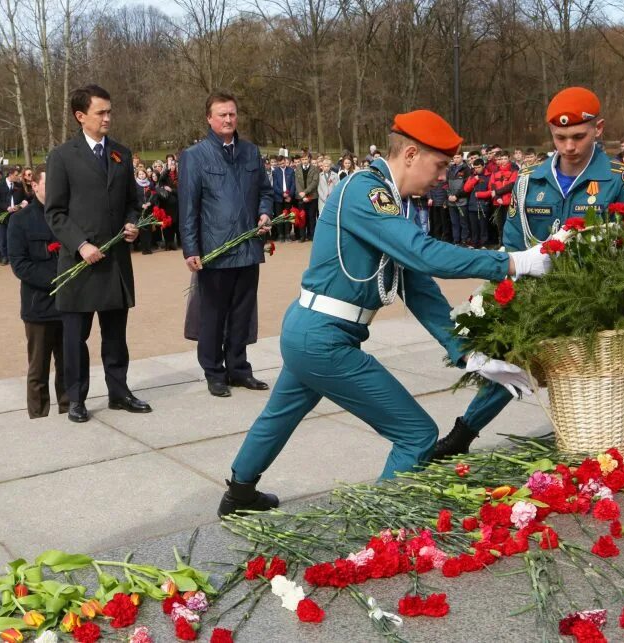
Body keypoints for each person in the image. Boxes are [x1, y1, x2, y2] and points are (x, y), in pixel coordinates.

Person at [215, 109, 554, 515]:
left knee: (282, 412)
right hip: (325, 338)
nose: (443, 178)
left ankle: (238, 495)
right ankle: (376, 524)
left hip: (314, 332)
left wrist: (471, 355)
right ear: (410, 154)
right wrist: (515, 263)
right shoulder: (364, 190)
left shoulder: (389, 201)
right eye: (440, 165)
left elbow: (419, 287)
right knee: (417, 433)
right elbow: (423, 255)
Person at [434, 86, 624, 459]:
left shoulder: (621, 177)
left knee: (598, 363)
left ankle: (608, 424)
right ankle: (465, 432)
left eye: (579, 136)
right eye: (560, 137)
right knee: (511, 360)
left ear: (599, 129)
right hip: (538, 293)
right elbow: (512, 240)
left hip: (594, 296)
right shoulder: (529, 180)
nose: (569, 146)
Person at [45, 84, 152, 423]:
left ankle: (119, 392)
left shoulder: (121, 153)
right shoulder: (62, 156)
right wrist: (81, 244)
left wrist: (133, 225)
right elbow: (55, 212)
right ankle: (76, 398)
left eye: (109, 111)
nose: (108, 117)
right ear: (81, 116)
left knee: (116, 335)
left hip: (115, 261)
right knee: (76, 338)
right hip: (79, 263)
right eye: (100, 112)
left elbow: (133, 203)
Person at [180, 91, 273, 398]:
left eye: (232, 114)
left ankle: (239, 368)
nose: (228, 119)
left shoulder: (250, 152)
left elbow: (265, 191)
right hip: (214, 252)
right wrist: (191, 249)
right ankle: (214, 372)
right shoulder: (195, 156)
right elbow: (188, 207)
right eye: (222, 114)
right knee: (213, 315)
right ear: (209, 118)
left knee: (242, 312)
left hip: (248, 249)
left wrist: (264, 212)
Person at [7, 165, 69, 418]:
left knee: (68, 365)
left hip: (69, 304)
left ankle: (69, 407)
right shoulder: (20, 220)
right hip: (38, 306)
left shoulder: (68, 215)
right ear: (34, 186)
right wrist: (59, 279)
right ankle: (39, 415)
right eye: (49, 183)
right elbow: (20, 264)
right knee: (38, 369)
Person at [0, 166, 28, 265]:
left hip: (16, 215)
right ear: (10, 175)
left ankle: (14, 256)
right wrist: (6, 207)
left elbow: (24, 198)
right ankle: (4, 256)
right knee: (3, 237)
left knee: (15, 237)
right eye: (16, 175)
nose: (18, 177)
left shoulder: (19, 186)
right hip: (3, 215)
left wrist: (22, 204)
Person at [294, 149, 320, 242]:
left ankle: (311, 235)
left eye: (306, 159)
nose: (304, 161)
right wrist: (302, 194)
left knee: (311, 217)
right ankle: (302, 236)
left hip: (312, 196)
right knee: (301, 217)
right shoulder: (297, 169)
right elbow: (297, 182)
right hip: (301, 197)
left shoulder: (315, 169)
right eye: (303, 159)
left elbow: (314, 182)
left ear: (309, 159)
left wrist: (305, 192)